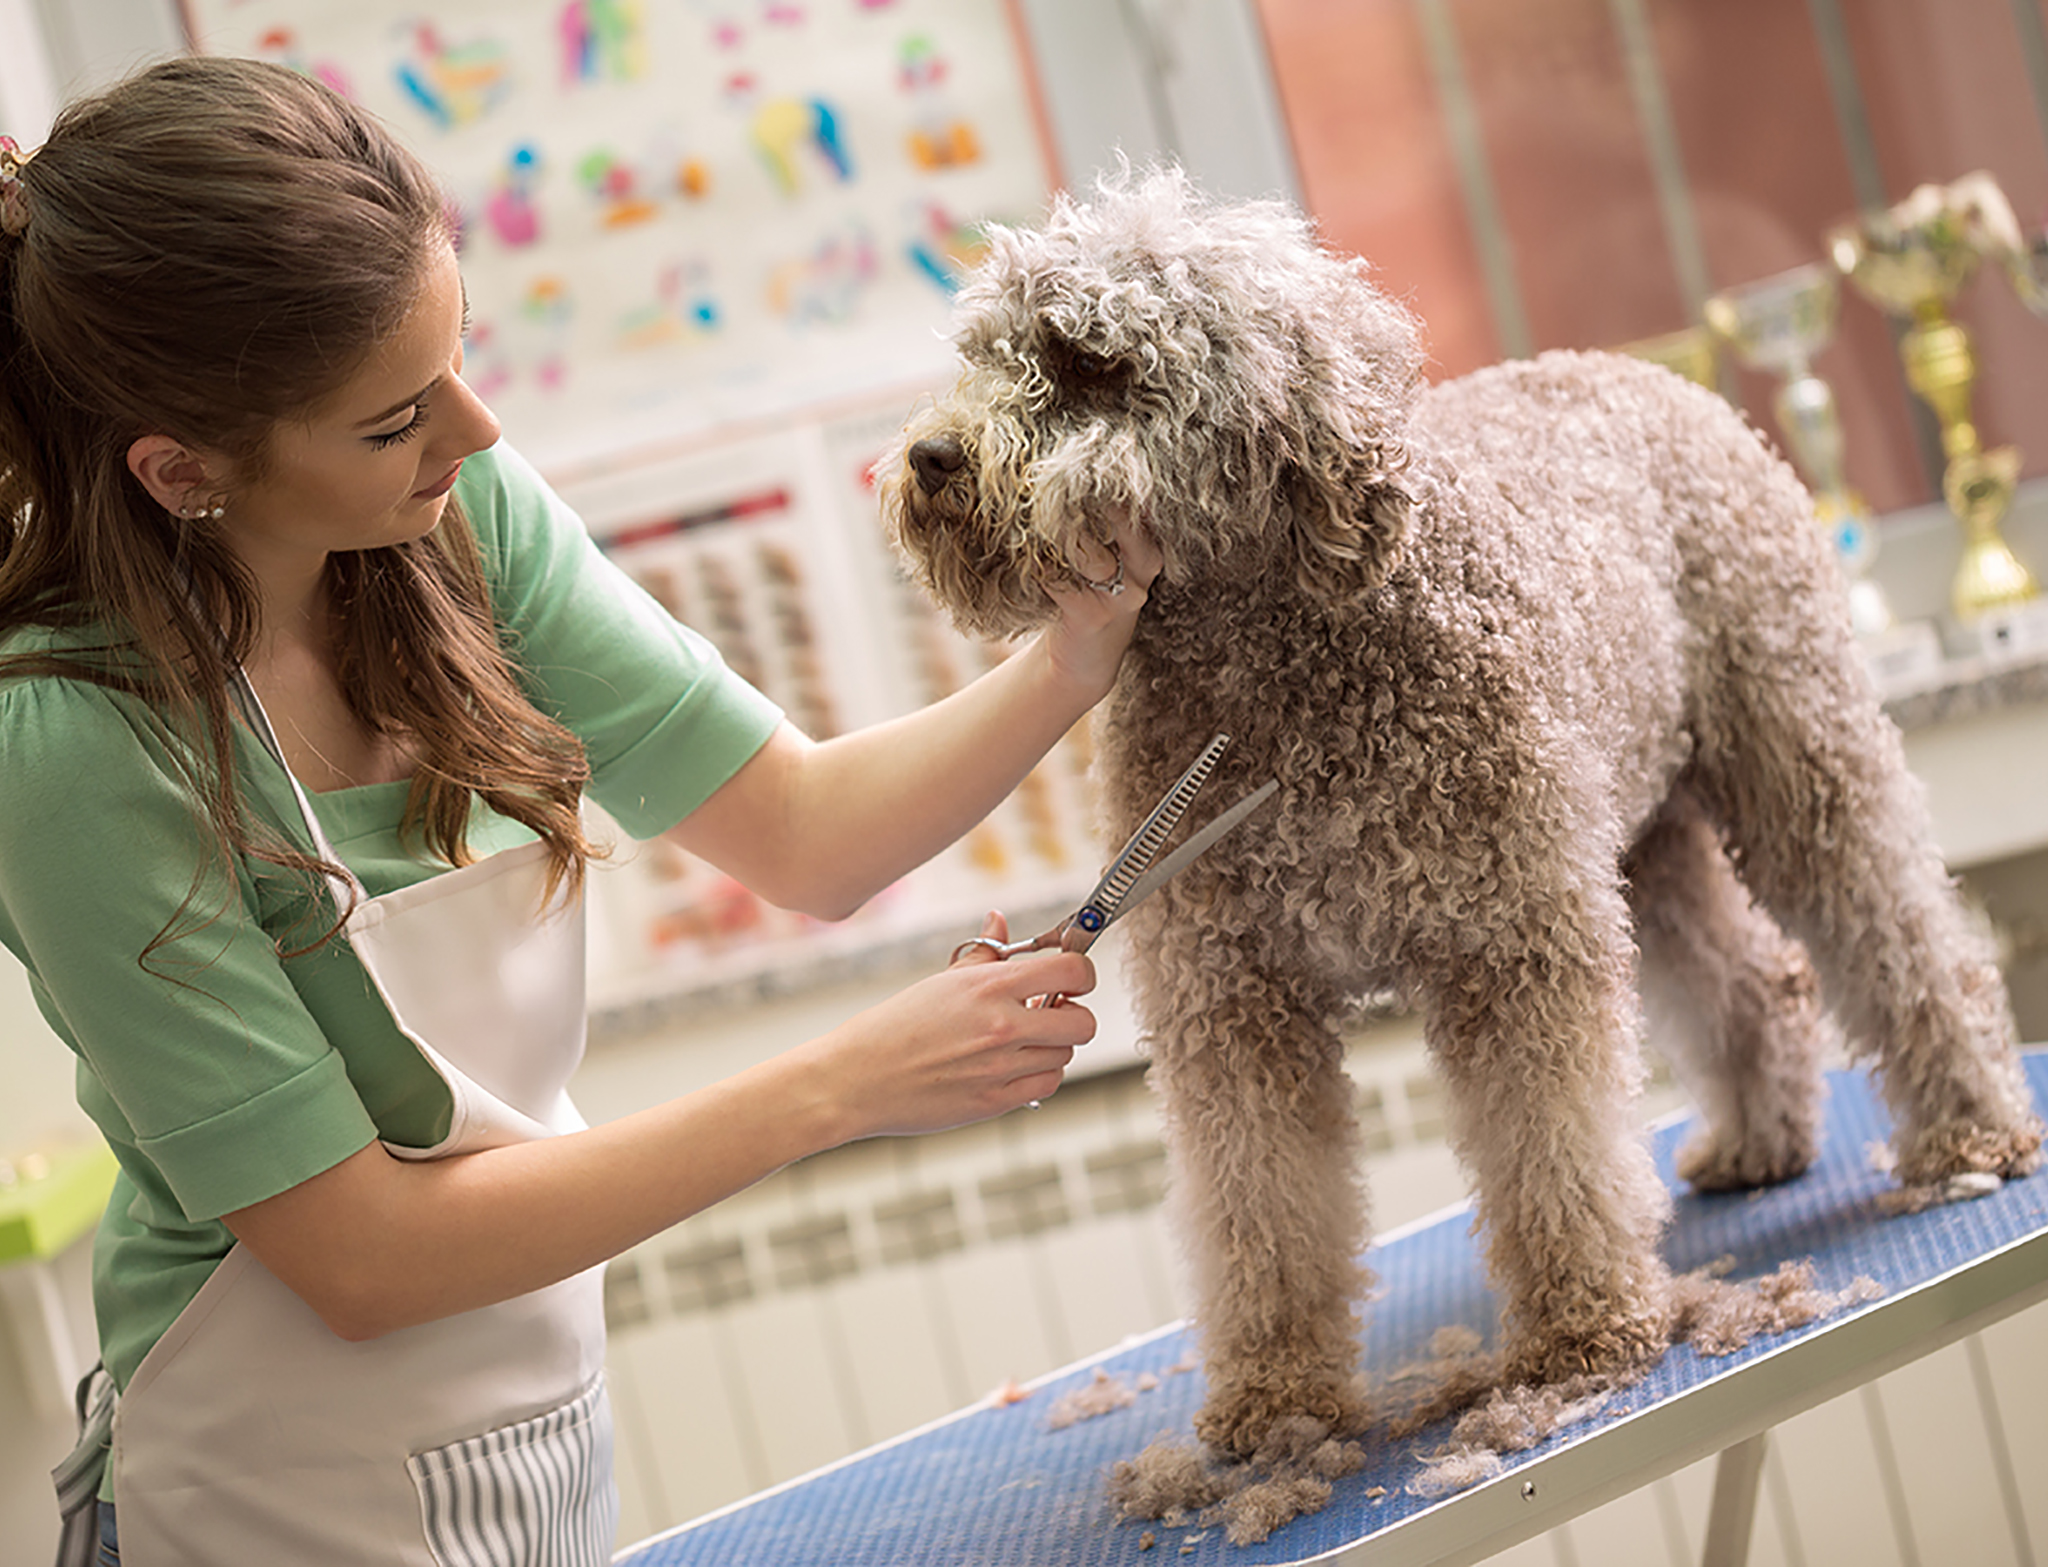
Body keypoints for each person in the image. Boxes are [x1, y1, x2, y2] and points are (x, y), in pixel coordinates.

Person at [0, 55, 1158, 1566]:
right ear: (185, 469)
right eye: (393, 416)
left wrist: (1075, 654)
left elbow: (806, 833)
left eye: (459, 355)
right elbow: (358, 1254)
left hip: (534, 1436)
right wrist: (844, 1085)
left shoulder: (446, 522)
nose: (473, 431)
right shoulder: (69, 742)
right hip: (258, 1484)